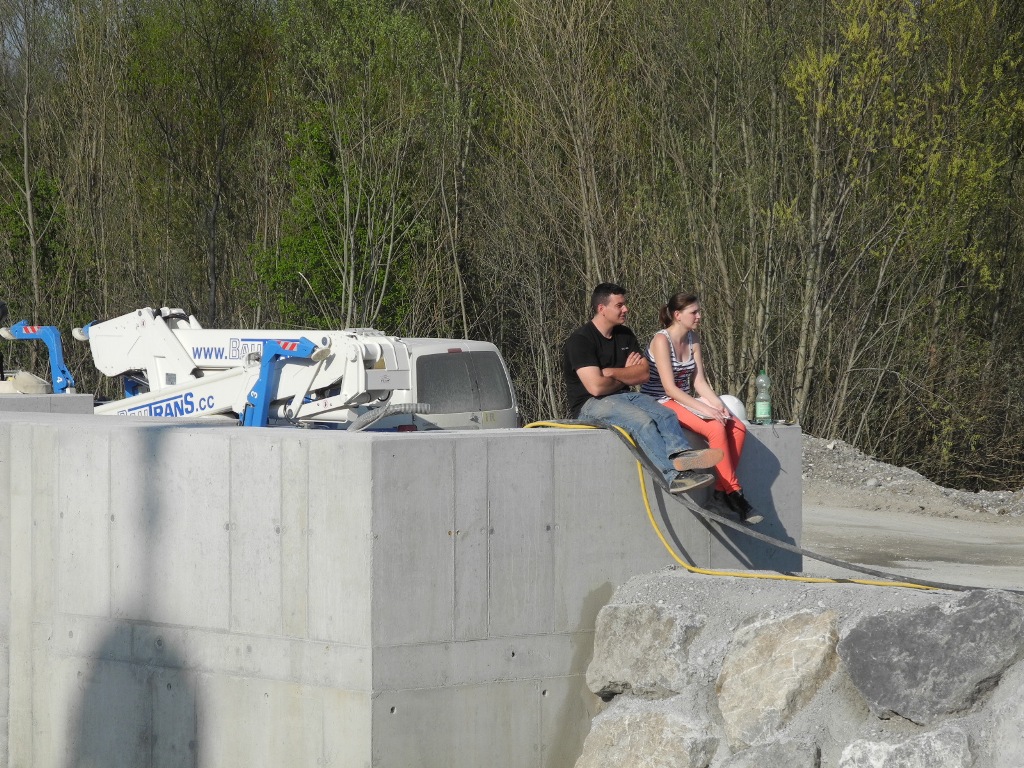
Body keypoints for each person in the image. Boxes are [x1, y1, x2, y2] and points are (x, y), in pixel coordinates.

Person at [563, 283, 721, 494]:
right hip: (590, 404)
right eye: (619, 305)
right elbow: (596, 387)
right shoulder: (581, 341)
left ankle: (682, 457)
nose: (626, 309)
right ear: (602, 309)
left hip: (623, 395)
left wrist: (612, 373)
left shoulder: (625, 335)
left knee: (666, 414)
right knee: (643, 422)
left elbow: (644, 374)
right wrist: (627, 374)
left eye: (625, 304)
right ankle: (674, 477)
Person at [640, 292, 763, 524]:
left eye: (699, 311)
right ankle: (735, 494)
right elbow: (669, 388)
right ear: (677, 315)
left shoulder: (693, 339)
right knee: (715, 427)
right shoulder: (661, 341)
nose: (699, 316)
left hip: (682, 398)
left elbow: (699, 381)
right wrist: (705, 410)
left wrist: (718, 405)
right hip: (659, 401)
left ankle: (720, 494)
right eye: (694, 312)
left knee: (736, 427)